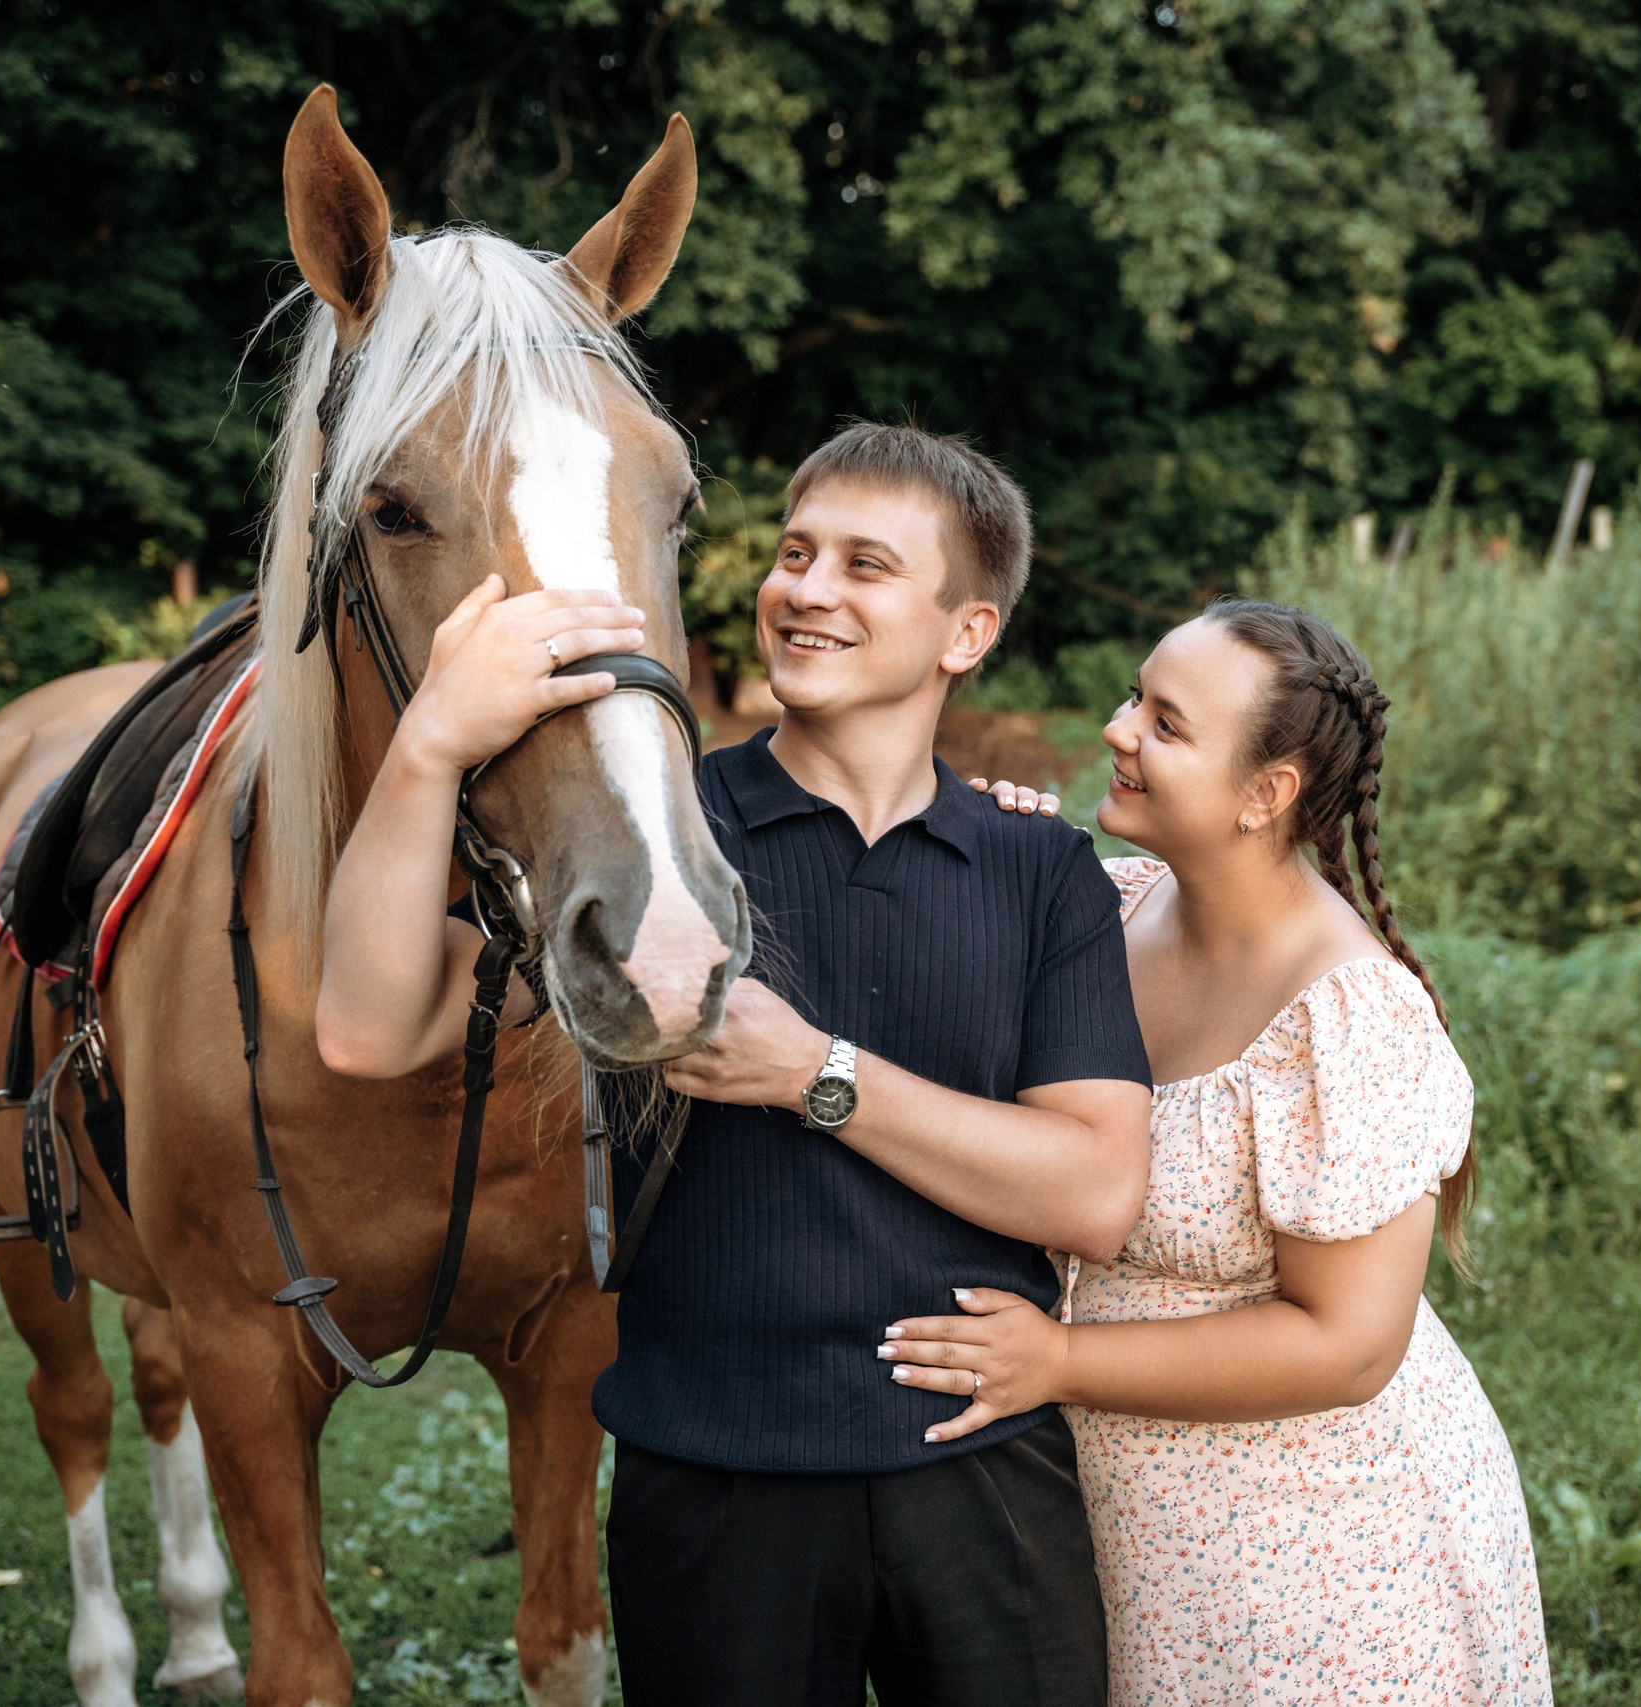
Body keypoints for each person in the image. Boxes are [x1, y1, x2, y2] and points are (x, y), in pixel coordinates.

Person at [316, 421, 1154, 1707]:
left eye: (864, 566)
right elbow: (368, 1031)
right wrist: (430, 743)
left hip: (984, 1479)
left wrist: (817, 1072)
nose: (805, 588)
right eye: (793, 552)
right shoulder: (651, 840)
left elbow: (1095, 1194)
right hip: (714, 1488)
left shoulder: (1039, 869)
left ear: (964, 633)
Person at [915, 600, 1553, 1705]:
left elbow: (1349, 1344)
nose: (1118, 730)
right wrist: (985, 858)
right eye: (1134, 695)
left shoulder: (1343, 1014)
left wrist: (1059, 1363)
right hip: (1141, 1530)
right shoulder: (1107, 912)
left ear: (1266, 795)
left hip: (1328, 1552)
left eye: (1167, 724)